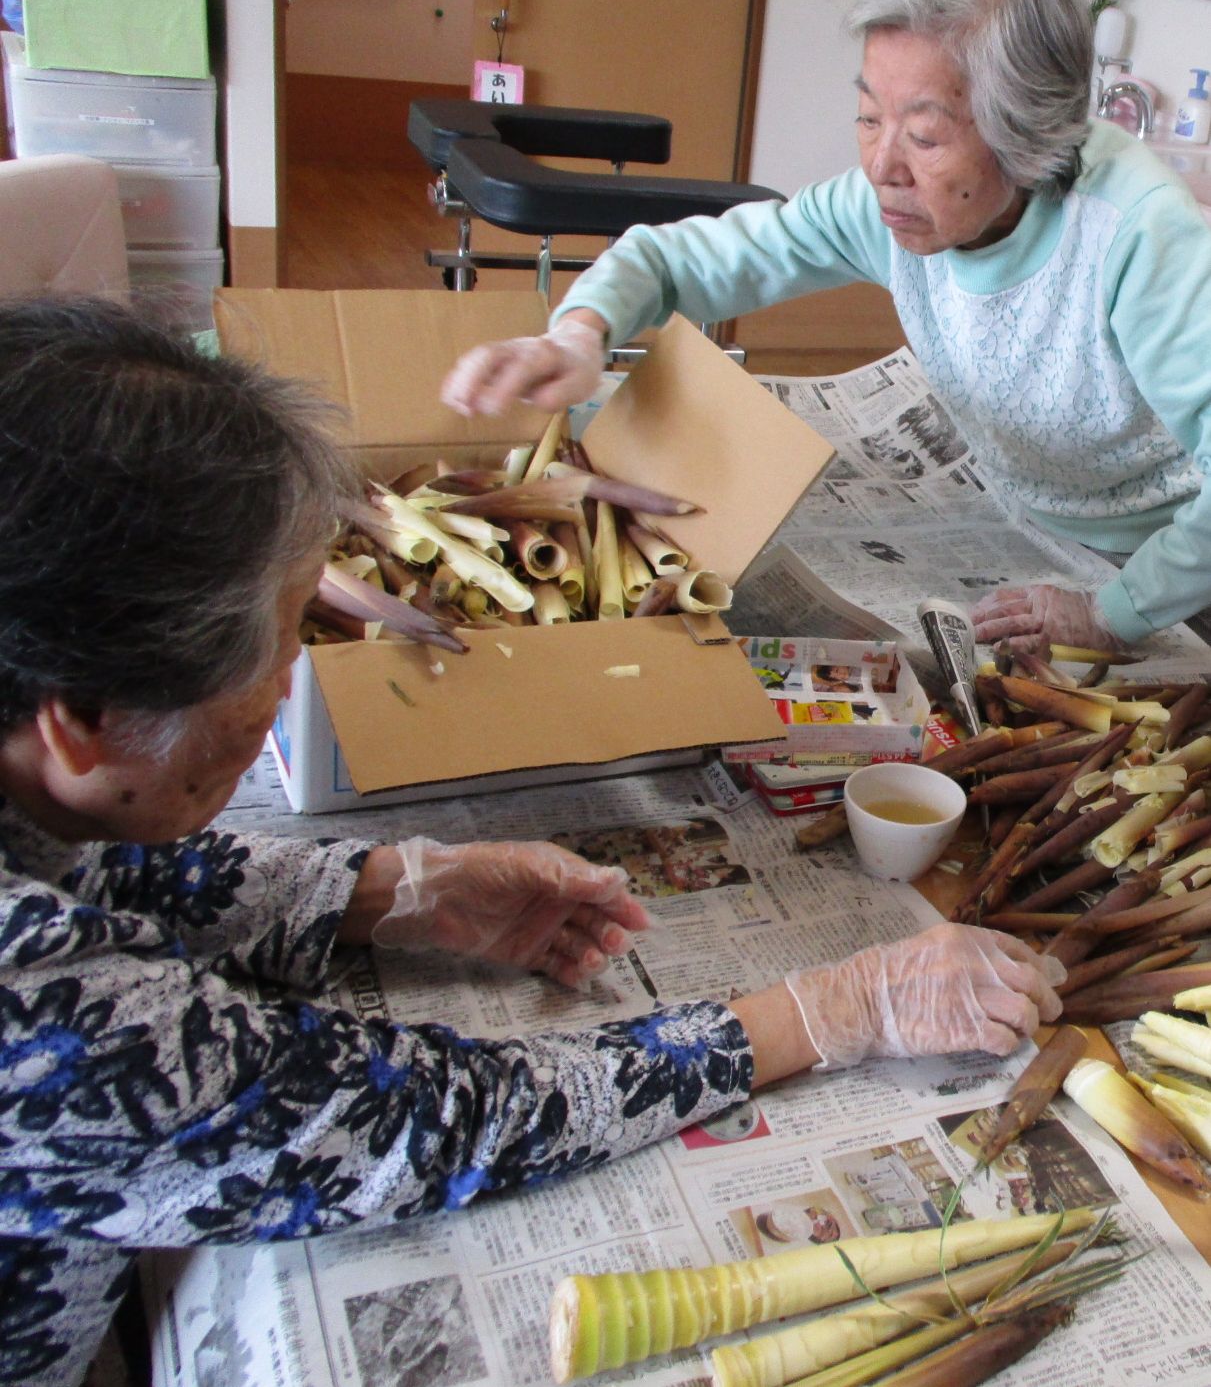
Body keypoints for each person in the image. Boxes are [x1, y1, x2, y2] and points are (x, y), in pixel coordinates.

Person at [0, 298, 1064, 1386]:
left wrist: (379, 889)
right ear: (79, 725)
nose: (290, 687)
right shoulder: (28, 1019)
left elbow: (110, 873)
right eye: (270, 659)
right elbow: (424, 1122)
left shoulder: (37, 776)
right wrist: (828, 1011)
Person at [441, 0, 1211, 657]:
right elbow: (680, 257)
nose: (882, 165)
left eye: (925, 135)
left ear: (1029, 134)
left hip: (1169, 557)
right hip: (1023, 514)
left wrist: (1111, 614)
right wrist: (580, 333)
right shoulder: (887, 207)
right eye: (869, 117)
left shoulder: (1135, 238)